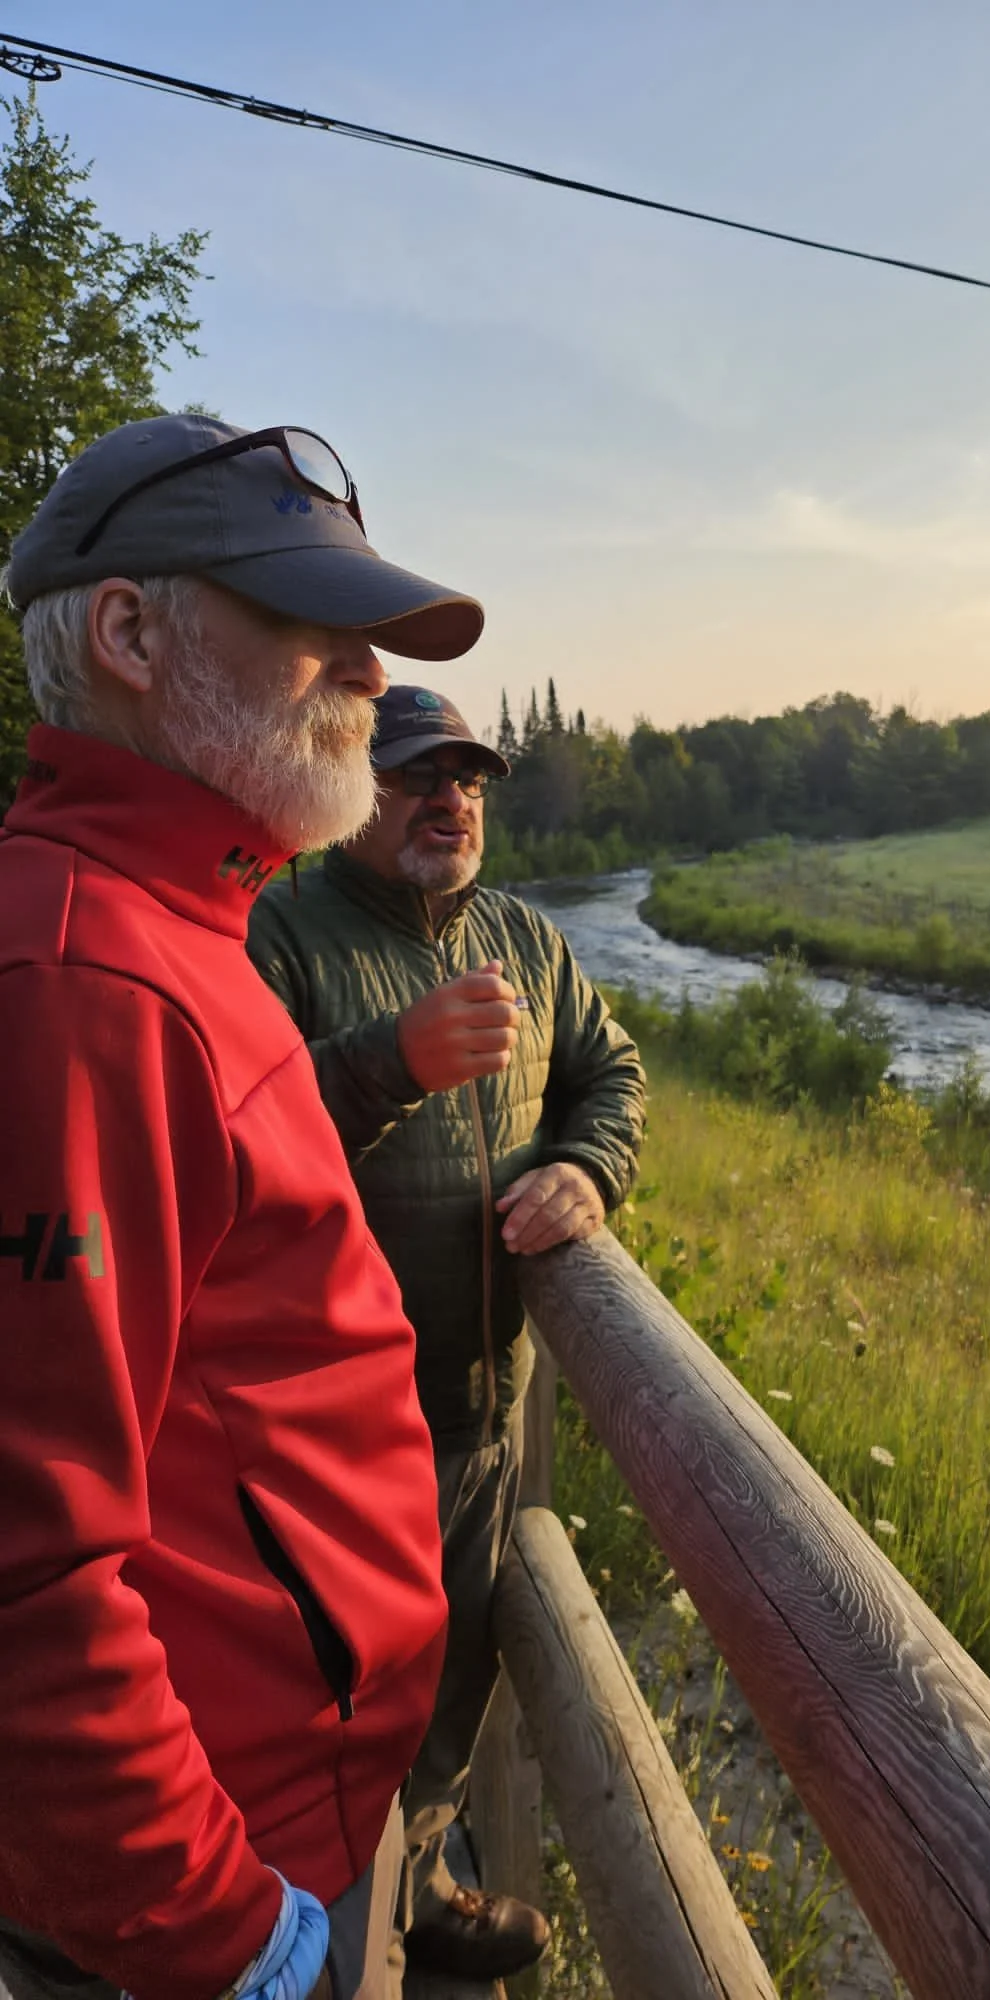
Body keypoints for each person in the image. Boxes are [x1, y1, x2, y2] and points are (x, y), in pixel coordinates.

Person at [0, 414, 486, 2000]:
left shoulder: (184, 922)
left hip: (289, 1816)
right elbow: (25, 1575)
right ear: (132, 632)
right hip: (214, 1889)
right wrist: (229, 1944)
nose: (367, 670)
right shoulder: (86, 981)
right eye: (308, 619)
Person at [247, 684, 647, 1984]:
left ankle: (418, 1892)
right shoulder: (280, 935)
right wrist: (389, 1060)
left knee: (445, 1693)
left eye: (469, 775)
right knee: (318, 1723)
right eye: (418, 773)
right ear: (350, 785)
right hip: (317, 1444)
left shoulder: (528, 943)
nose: (450, 797)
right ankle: (301, 1950)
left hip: (477, 1418)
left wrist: (588, 1170)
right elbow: (220, 1142)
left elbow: (612, 1074)